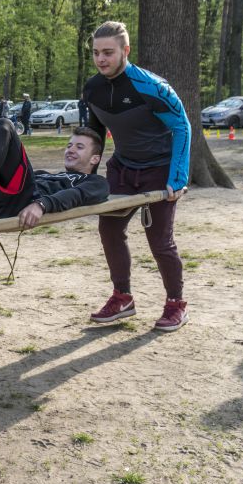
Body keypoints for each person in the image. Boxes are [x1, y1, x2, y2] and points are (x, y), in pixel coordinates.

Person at [84, 21, 191, 332]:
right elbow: (95, 131)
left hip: (159, 171)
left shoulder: (152, 87)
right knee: (109, 229)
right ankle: (122, 297)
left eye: (108, 52)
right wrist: (86, 177)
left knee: (160, 241)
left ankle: (176, 304)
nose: (101, 59)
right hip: (123, 168)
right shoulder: (92, 88)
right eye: (95, 53)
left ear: (125, 51)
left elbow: (182, 126)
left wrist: (178, 176)